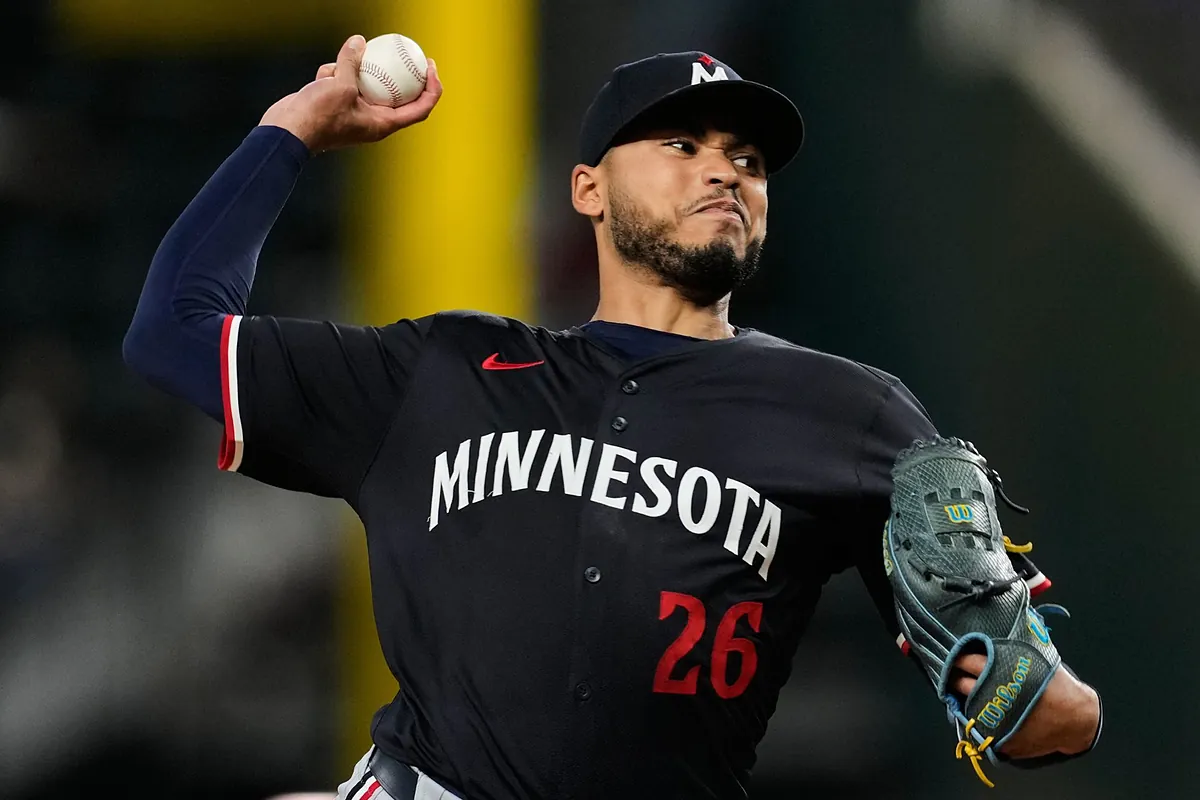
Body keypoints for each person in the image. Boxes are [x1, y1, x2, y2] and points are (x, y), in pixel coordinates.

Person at [124, 35, 1101, 800]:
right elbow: (172, 331)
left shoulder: (852, 414)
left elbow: (1048, 721)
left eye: (748, 158)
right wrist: (292, 126)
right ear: (587, 188)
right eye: (681, 144)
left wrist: (1006, 670)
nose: (724, 171)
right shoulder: (441, 372)